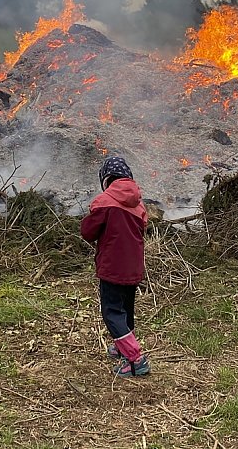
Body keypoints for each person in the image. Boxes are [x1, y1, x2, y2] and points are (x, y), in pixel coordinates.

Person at [80, 157, 151, 377]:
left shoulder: (104, 201)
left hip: (112, 267)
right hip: (133, 267)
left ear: (106, 179)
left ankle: (135, 359)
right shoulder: (138, 204)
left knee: (111, 312)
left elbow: (88, 233)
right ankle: (123, 347)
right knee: (126, 309)